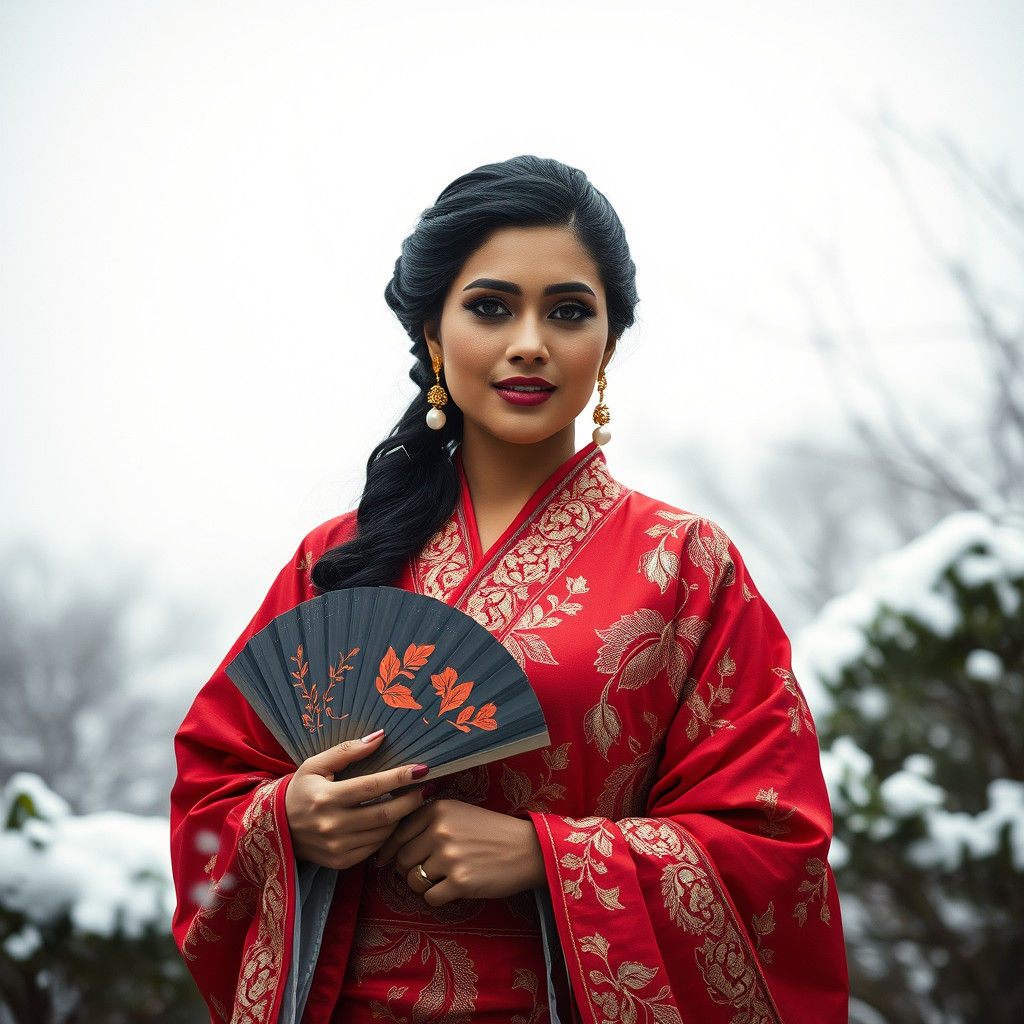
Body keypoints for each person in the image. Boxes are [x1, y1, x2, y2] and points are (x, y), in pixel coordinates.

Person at [170, 155, 849, 1024]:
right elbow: (212, 792)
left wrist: (546, 857)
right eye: (491, 307)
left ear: (609, 342)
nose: (530, 341)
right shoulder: (336, 560)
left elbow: (772, 841)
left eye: (568, 311)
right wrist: (290, 817)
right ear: (432, 333)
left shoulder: (686, 566)